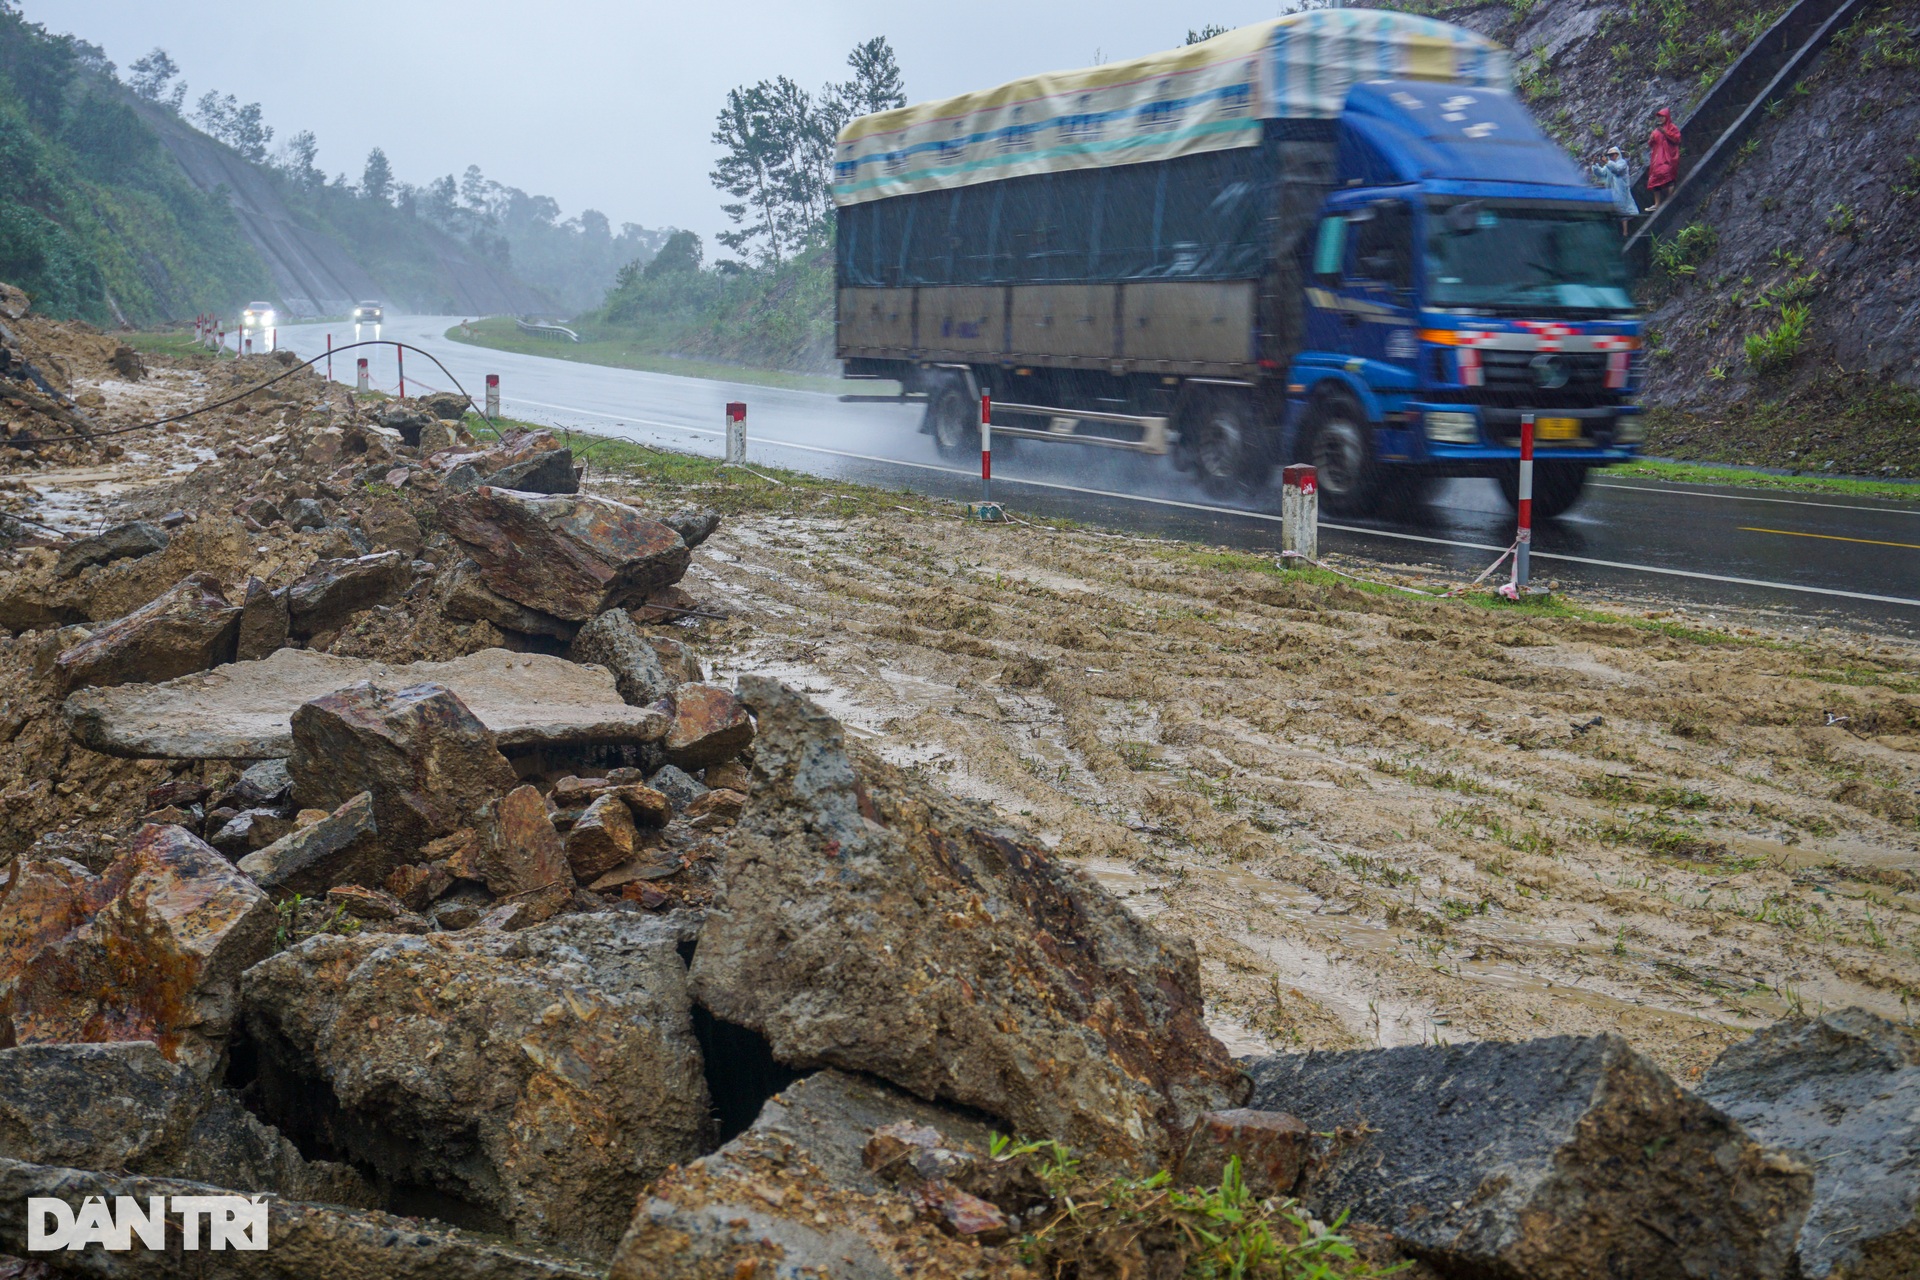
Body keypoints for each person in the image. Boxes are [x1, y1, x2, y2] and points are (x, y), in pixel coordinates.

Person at [1591, 145, 1638, 235]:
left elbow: (1617, 169)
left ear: (1617, 154)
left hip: (1621, 189)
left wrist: (1607, 162)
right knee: (1617, 208)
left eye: (1612, 155)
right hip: (1612, 190)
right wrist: (1594, 164)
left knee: (1623, 208)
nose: (1611, 157)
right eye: (1609, 155)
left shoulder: (1622, 163)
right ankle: (1619, 231)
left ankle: (1625, 231)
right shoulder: (1609, 165)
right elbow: (1600, 173)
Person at [1647, 107, 1682, 210]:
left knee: (1668, 176)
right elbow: (1651, 143)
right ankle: (1657, 204)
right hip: (1657, 157)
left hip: (1668, 156)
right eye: (1659, 117)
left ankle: (1669, 198)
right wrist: (1651, 140)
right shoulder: (1656, 131)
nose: (1661, 119)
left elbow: (1677, 139)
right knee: (1655, 179)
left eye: (1662, 117)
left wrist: (1665, 133)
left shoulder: (1672, 127)